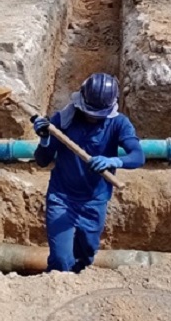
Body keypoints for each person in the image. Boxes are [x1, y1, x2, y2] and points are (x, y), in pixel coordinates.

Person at [33, 73, 145, 273]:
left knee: (85, 257)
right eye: (90, 112)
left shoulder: (118, 123)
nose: (93, 117)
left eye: (98, 114)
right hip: (62, 198)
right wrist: (44, 139)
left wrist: (114, 160)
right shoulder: (63, 120)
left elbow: (137, 156)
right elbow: (42, 160)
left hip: (94, 201)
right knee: (60, 260)